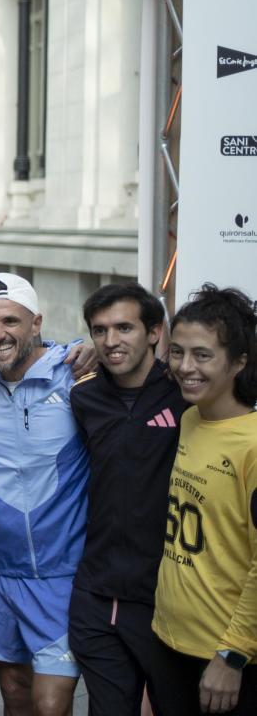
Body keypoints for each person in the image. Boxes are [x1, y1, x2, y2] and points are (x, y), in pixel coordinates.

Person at [0, 273, 86, 715]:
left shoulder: (74, 375)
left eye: (10, 321)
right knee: (15, 698)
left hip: (59, 575)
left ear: (36, 323)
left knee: (51, 705)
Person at [70, 282, 183, 715]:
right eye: (100, 331)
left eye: (124, 328)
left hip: (163, 598)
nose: (111, 341)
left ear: (155, 332)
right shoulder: (83, 397)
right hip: (94, 596)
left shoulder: (184, 394)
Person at [150, 285, 257, 716]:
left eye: (203, 355)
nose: (185, 367)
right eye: (176, 352)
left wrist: (233, 653)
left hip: (225, 659)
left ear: (239, 363)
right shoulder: (191, 418)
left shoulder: (251, 444)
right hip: (170, 641)